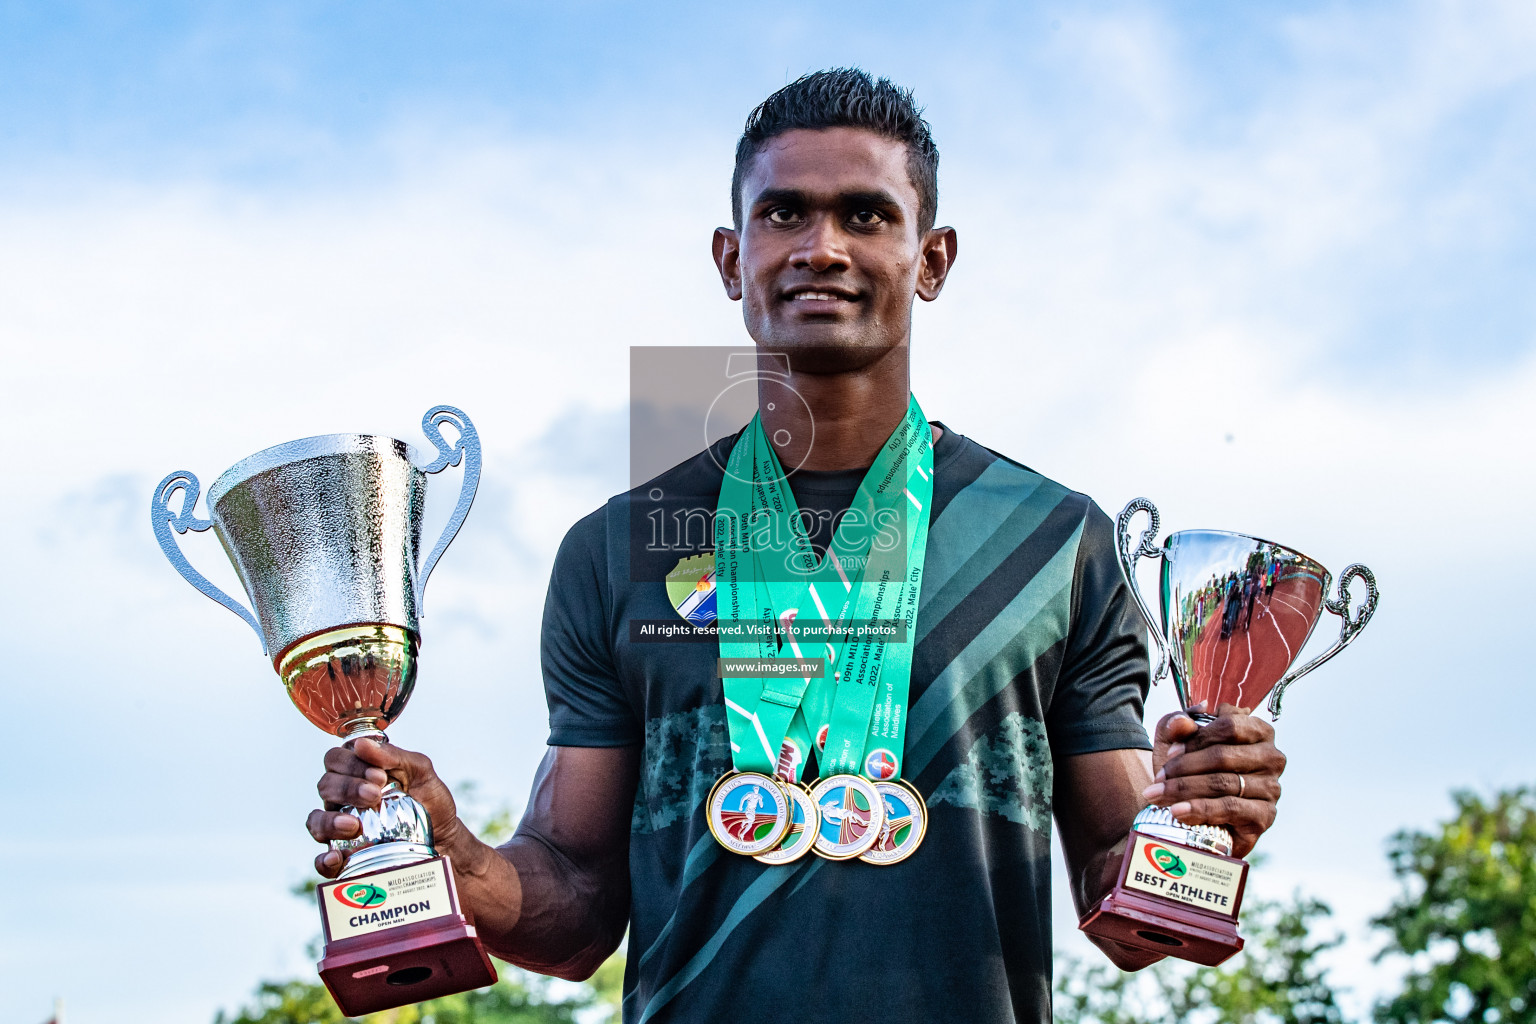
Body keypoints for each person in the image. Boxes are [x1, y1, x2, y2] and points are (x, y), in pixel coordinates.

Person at [308, 69, 1286, 1023]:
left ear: (933, 259)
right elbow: (575, 910)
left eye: (866, 215)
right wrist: (453, 858)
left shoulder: (1056, 541)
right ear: (731, 257)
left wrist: (1198, 818)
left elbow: (1127, 916)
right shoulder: (616, 549)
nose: (821, 246)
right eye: (784, 214)